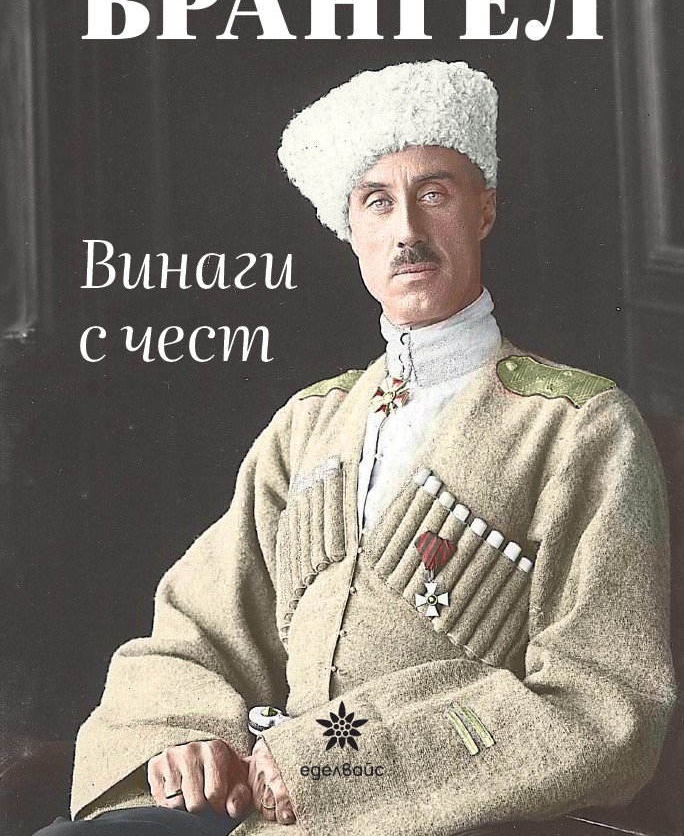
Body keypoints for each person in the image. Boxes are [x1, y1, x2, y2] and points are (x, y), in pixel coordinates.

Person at [38, 61, 676, 836]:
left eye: (433, 194)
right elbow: (195, 632)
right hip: (268, 808)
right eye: (377, 201)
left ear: (484, 210)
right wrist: (182, 738)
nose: (407, 231)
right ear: (352, 231)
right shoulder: (309, 424)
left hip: (454, 817)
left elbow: (605, 707)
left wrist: (332, 765)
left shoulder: (579, 427)